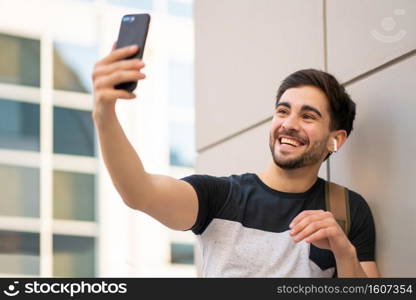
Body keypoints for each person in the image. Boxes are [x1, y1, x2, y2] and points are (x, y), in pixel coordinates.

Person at [91, 45, 380, 278]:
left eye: (307, 116)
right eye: (282, 111)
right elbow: (139, 192)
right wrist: (104, 114)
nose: (289, 124)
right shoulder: (219, 197)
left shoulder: (348, 210)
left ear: (336, 139)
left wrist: (344, 252)